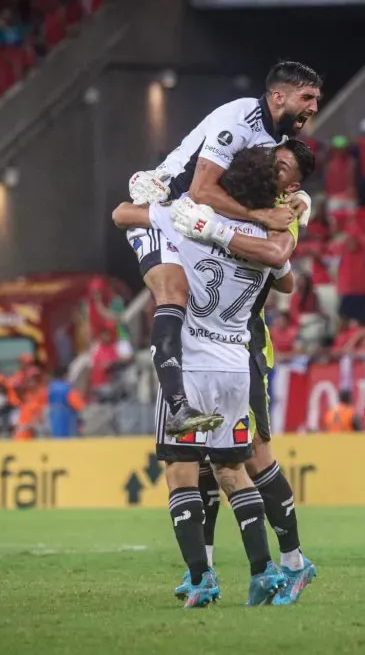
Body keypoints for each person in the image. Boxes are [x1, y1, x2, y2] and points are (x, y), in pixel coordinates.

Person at [112, 147, 294, 609]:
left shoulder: (187, 218)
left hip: (192, 362)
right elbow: (286, 277)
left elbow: (123, 215)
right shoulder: (264, 238)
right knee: (234, 471)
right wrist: (289, 213)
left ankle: (201, 578)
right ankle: (265, 571)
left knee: (181, 474)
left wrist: (161, 195)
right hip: (235, 367)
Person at [126, 61, 322, 436]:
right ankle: (178, 406)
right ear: (279, 97)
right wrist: (263, 216)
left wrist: (303, 199)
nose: (314, 107)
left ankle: (203, 430)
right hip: (165, 210)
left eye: (316, 99)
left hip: (196, 226)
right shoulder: (239, 121)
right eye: (307, 97)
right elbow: (200, 191)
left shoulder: (276, 140)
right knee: (174, 294)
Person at [171, 139, 319, 604]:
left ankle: (293, 560)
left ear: (290, 182)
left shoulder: (278, 214)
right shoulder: (248, 207)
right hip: (208, 348)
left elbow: (287, 278)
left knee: (251, 454)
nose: (269, 166)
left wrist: (286, 223)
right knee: (209, 461)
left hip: (243, 346)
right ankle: (205, 569)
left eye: (281, 165)